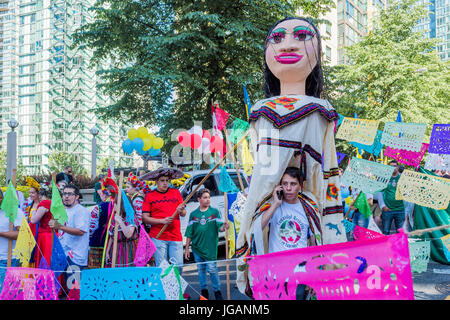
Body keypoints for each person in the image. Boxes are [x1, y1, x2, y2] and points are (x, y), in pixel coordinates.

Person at [235, 17, 345, 294]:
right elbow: (262, 169)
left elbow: (326, 169)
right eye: (277, 38)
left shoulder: (321, 110)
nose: (288, 45)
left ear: (318, 52)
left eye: (301, 35)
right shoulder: (260, 109)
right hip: (265, 206)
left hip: (310, 205)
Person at [184, 188, 228, 300]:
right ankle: (204, 291)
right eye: (205, 197)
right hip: (197, 248)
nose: (207, 200)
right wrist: (187, 248)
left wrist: (224, 227)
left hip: (210, 248)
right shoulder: (193, 214)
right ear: (199, 199)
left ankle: (217, 291)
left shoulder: (214, 212)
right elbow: (189, 232)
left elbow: (220, 227)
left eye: (208, 197)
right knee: (201, 271)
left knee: (212, 270)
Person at [142, 167, 186, 271]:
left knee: (178, 267)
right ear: (156, 181)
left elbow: (183, 213)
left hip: (175, 236)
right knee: (162, 268)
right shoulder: (150, 196)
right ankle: (164, 288)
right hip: (158, 237)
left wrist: (181, 210)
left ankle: (177, 287)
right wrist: (162, 221)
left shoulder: (176, 193)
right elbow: (145, 218)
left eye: (167, 180)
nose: (165, 183)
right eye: (162, 180)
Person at [49, 184, 90, 291]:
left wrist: (60, 226)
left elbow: (81, 231)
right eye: (64, 194)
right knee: (63, 287)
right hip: (63, 253)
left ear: (77, 197)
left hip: (76, 256)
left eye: (70, 194)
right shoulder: (63, 211)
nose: (66, 196)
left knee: (74, 289)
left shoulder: (81, 211)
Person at [88, 172, 118, 269]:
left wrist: (90, 237)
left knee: (96, 271)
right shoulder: (121, 207)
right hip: (116, 242)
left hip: (98, 242)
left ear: (105, 194)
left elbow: (91, 228)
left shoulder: (98, 208)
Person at [104, 194, 138, 268]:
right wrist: (107, 251)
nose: (114, 205)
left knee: (126, 274)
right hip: (115, 251)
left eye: (115, 203)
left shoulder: (131, 218)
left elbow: (128, 234)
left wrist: (120, 222)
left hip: (128, 250)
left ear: (121, 205)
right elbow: (111, 236)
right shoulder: (115, 217)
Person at [0, 189, 24, 292]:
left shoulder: (14, 211)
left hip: (9, 259)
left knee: (8, 293)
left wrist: (1, 233)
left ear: (1, 199)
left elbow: (23, 234)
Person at [378, 160, 405, 235]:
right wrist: (382, 206)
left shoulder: (402, 178)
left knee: (400, 232)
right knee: (386, 232)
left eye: (394, 166)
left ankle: (400, 247)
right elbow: (380, 192)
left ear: (397, 167)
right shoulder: (384, 179)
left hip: (400, 209)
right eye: (390, 166)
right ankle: (385, 247)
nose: (392, 168)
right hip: (387, 210)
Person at [29, 187, 53, 267]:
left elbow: (33, 220)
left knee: (45, 259)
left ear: (40, 195)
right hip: (54, 234)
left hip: (45, 236)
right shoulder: (54, 202)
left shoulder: (44, 203)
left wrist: (34, 211)